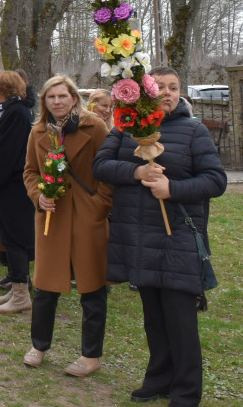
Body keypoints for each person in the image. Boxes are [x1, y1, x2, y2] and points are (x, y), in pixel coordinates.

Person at [93, 67, 226, 406]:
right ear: (146, 92)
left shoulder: (194, 131)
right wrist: (137, 171)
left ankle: (185, 391)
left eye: (173, 87)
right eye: (159, 87)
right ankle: (159, 378)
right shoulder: (127, 129)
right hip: (139, 238)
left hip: (178, 237)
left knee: (181, 320)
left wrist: (173, 189)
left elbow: (215, 180)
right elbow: (101, 165)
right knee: (153, 317)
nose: (166, 92)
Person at [20, 76, 112, 375]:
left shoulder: (95, 127)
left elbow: (108, 172)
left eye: (62, 96)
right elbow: (30, 172)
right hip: (52, 216)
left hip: (87, 216)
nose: (57, 102)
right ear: (44, 101)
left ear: (74, 98)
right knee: (45, 287)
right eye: (51, 97)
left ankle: (91, 356)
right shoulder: (37, 132)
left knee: (92, 288)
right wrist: (38, 197)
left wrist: (99, 206)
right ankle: (39, 345)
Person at [0, 70, 35, 314]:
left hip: (12, 185)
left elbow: (8, 150)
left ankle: (22, 294)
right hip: (3, 182)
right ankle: (16, 287)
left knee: (15, 239)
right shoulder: (8, 110)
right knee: (9, 238)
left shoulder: (16, 112)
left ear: (3, 89)